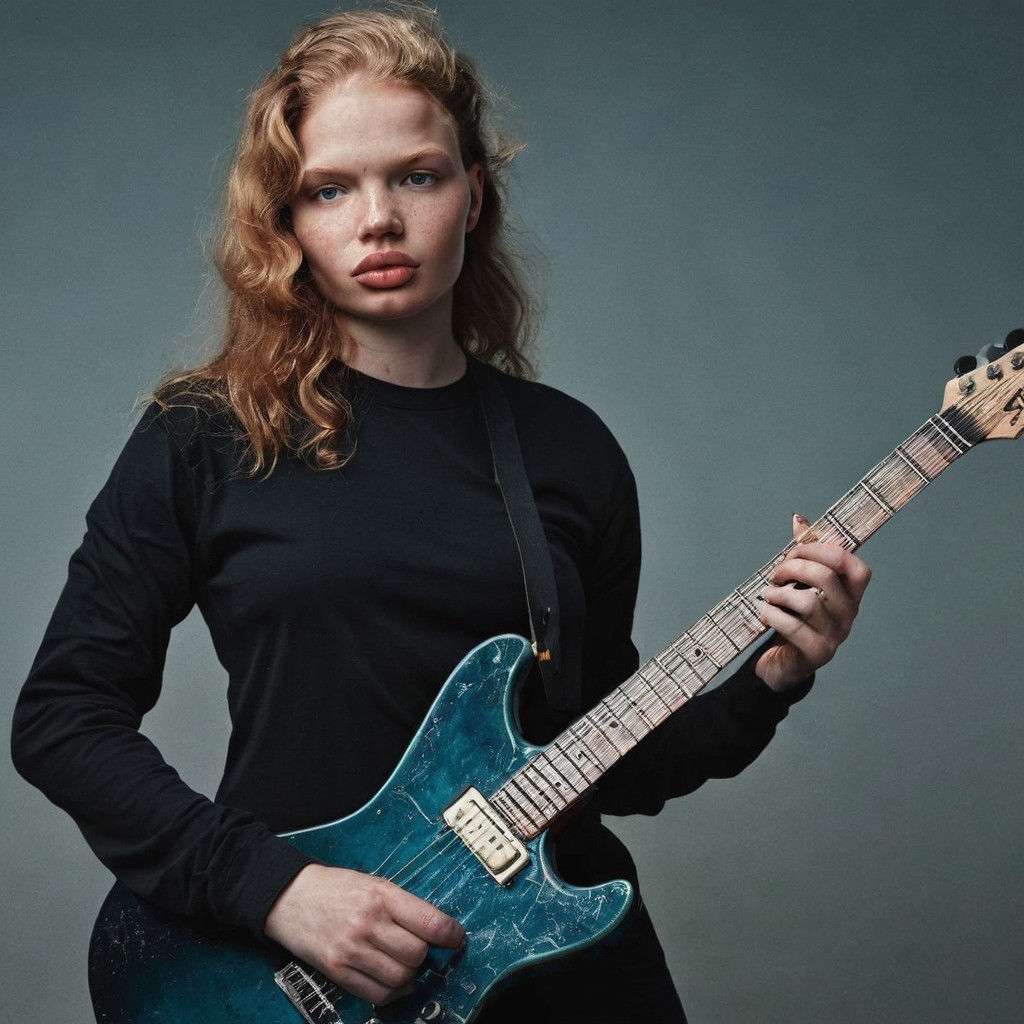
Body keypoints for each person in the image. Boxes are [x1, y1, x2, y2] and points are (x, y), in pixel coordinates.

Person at [10, 3, 871, 1021]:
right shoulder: (205, 434)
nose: (377, 218)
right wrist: (275, 889)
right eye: (329, 189)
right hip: (297, 965)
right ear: (286, 223)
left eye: (416, 175)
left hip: (557, 974)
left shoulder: (568, 450)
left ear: (472, 193)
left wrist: (774, 676)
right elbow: (62, 717)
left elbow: (609, 759)